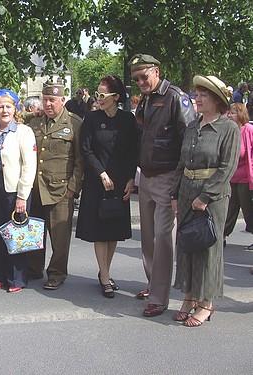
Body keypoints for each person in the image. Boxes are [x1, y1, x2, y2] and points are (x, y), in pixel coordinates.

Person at [129, 54, 196, 317]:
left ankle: (159, 296)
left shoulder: (176, 97)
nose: (140, 82)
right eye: (136, 79)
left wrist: (180, 185)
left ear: (156, 71)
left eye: (144, 76)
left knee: (163, 237)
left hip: (168, 176)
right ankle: (153, 282)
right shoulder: (146, 99)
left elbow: (188, 141)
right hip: (146, 175)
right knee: (147, 236)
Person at [170, 75, 240, 327]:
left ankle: (206, 303)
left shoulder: (229, 128)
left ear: (216, 100)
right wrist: (175, 194)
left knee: (208, 248)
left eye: (203, 95)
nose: (197, 99)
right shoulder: (192, 126)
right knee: (187, 245)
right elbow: (181, 163)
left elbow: (227, 168)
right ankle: (189, 296)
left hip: (212, 197)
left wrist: (205, 197)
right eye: (196, 94)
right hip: (187, 191)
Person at [76, 76, 139, 298]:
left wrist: (131, 178)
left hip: (120, 182)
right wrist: (101, 173)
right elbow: (86, 150)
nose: (98, 99)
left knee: (113, 232)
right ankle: (104, 276)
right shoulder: (91, 119)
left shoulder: (128, 120)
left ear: (116, 98)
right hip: (97, 180)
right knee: (100, 233)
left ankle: (106, 270)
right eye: (97, 94)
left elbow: (134, 152)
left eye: (103, 95)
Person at [27, 80, 84, 290]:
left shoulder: (74, 123)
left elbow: (80, 160)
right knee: (34, 231)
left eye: (52, 100)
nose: (48, 104)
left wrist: (73, 188)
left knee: (60, 237)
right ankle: (33, 269)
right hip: (36, 187)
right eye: (45, 100)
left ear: (63, 100)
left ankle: (57, 273)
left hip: (61, 189)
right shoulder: (34, 123)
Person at [0, 89, 37, 293]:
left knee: (15, 234)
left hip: (14, 189)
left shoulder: (23, 132)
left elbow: (29, 165)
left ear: (15, 109)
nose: (4, 110)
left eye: (8, 106)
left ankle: (17, 278)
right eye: (0, 106)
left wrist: (23, 195)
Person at [224, 103, 253, 239]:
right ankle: (222, 236)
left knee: (248, 211)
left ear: (241, 114)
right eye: (229, 112)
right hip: (230, 178)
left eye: (233, 113)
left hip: (246, 179)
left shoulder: (249, 130)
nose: (230, 115)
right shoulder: (228, 131)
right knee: (229, 210)